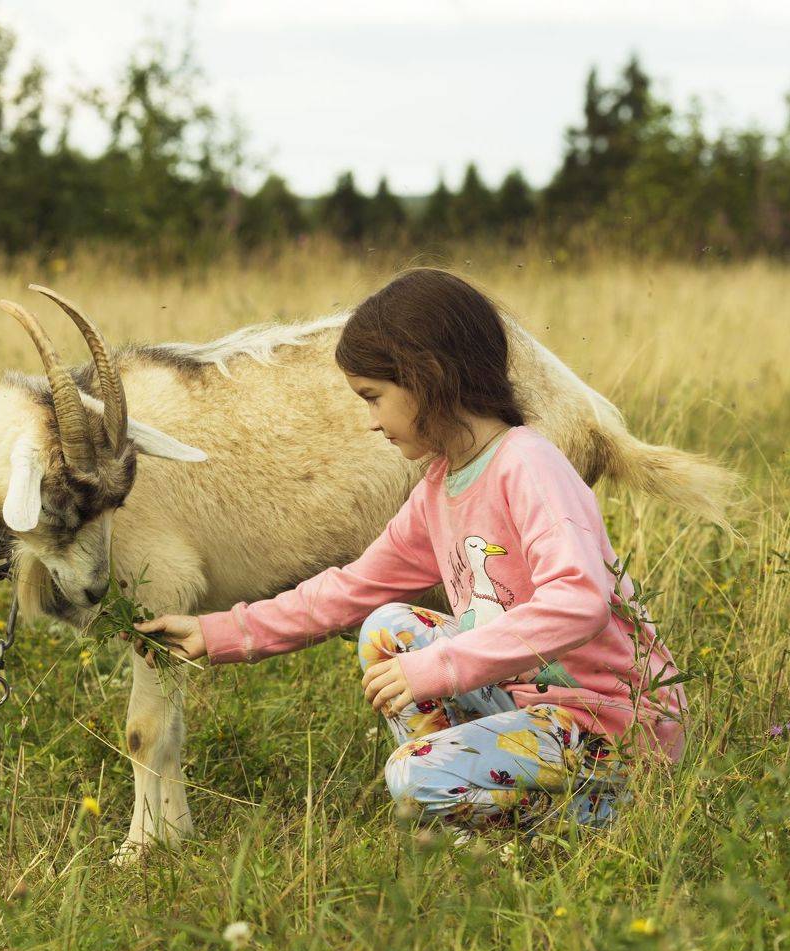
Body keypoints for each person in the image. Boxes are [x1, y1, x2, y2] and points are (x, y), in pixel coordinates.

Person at [136, 268, 687, 831]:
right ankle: (464, 803)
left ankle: (596, 814)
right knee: (388, 627)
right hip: (537, 704)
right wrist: (221, 633)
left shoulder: (529, 464)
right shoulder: (440, 486)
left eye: (374, 398)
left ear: (429, 380)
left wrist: (441, 667)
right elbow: (351, 588)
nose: (371, 423)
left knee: (411, 777)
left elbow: (579, 600)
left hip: (611, 722)